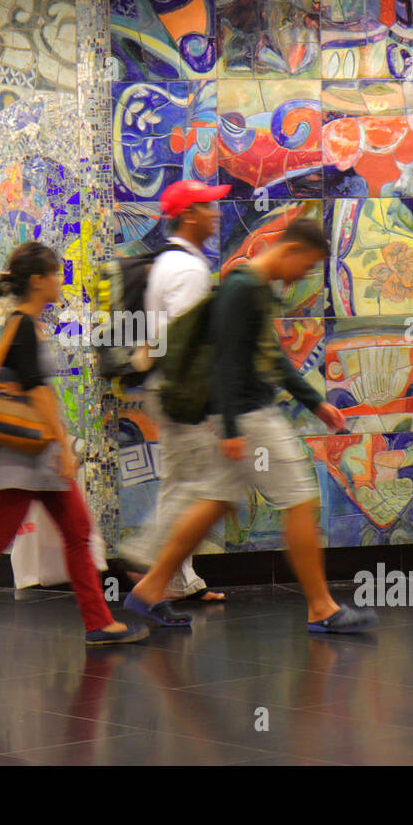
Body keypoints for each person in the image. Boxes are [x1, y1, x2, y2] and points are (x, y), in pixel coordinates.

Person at [124, 216, 379, 634]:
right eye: (308, 266)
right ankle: (321, 607)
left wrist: (314, 402)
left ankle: (150, 589)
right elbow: (224, 361)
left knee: (214, 501)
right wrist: (229, 428)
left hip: (242, 414)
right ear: (291, 250)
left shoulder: (255, 289)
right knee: (298, 500)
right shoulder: (241, 289)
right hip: (249, 416)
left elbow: (271, 356)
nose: (305, 276)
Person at [0, 242, 148, 650]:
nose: (61, 279)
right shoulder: (25, 327)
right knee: (0, 538)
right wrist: (63, 449)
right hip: (30, 456)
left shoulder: (22, 323)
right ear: (37, 281)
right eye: (55, 273)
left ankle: (98, 622)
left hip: (31, 455)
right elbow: (39, 394)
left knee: (75, 532)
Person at [118, 179, 229, 604]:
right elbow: (184, 341)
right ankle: (145, 558)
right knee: (198, 487)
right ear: (189, 216)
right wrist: (205, 403)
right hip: (183, 393)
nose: (216, 214)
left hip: (167, 389)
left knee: (182, 484)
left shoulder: (170, 262)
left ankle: (178, 579)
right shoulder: (187, 270)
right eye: (208, 207)